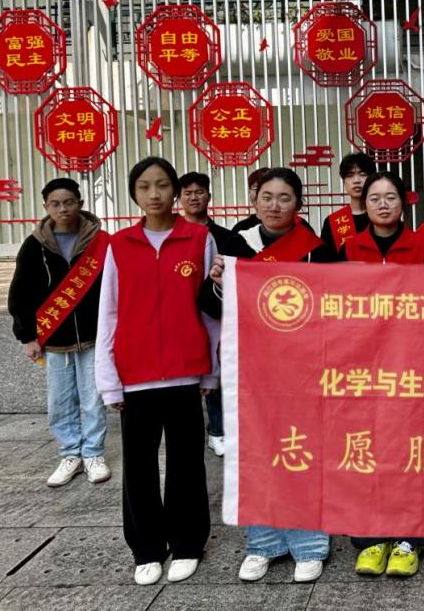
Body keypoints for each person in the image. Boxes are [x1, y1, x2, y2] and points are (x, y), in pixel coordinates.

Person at [95, 157, 220, 587]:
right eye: (145, 186)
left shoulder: (198, 238)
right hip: (136, 373)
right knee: (139, 466)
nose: (154, 194)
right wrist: (108, 380)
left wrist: (210, 371)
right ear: (134, 193)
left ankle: (187, 543)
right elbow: (108, 313)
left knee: (187, 463)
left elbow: (210, 311)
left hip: (186, 372)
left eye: (163, 185)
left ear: (175, 191)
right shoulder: (119, 245)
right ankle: (147, 547)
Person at [204, 167, 331, 584]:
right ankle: (263, 543)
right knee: (255, 454)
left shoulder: (317, 250)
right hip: (252, 368)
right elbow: (209, 304)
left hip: (302, 368)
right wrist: (219, 282)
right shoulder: (235, 244)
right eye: (267, 198)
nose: (275, 206)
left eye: (284, 198)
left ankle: (309, 545)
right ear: (255, 202)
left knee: (302, 452)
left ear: (299, 204)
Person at [341, 170, 424, 576]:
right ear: (364, 203)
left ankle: (408, 539)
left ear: (404, 202)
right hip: (362, 368)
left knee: (411, 451)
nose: (383, 205)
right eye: (375, 198)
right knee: (366, 450)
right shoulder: (347, 249)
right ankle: (370, 538)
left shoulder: (423, 247)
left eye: (391, 197)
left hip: (411, 366)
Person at [7, 177, 110, 488]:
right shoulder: (34, 245)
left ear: (80, 203)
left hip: (93, 336)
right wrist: (27, 336)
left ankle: (93, 454)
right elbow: (20, 294)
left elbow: (116, 289)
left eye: (68, 202)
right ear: (46, 207)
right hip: (54, 339)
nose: (62, 208)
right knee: (60, 402)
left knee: (93, 399)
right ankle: (70, 454)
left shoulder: (101, 242)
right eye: (55, 204)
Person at [179, 172, 249, 459]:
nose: (194, 197)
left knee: (217, 372)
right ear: (179, 198)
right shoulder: (175, 236)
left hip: (215, 315)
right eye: (187, 193)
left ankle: (217, 430)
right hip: (182, 315)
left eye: (199, 192)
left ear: (209, 196)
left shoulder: (225, 237)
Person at [320, 152, 375, 256]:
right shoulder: (332, 221)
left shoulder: (382, 216)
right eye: (350, 175)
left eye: (362, 174)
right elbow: (322, 261)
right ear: (344, 182)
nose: (356, 180)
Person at [231, 167, 271, 233]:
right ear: (249, 192)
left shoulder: (287, 227)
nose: (260, 195)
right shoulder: (240, 229)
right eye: (256, 189)